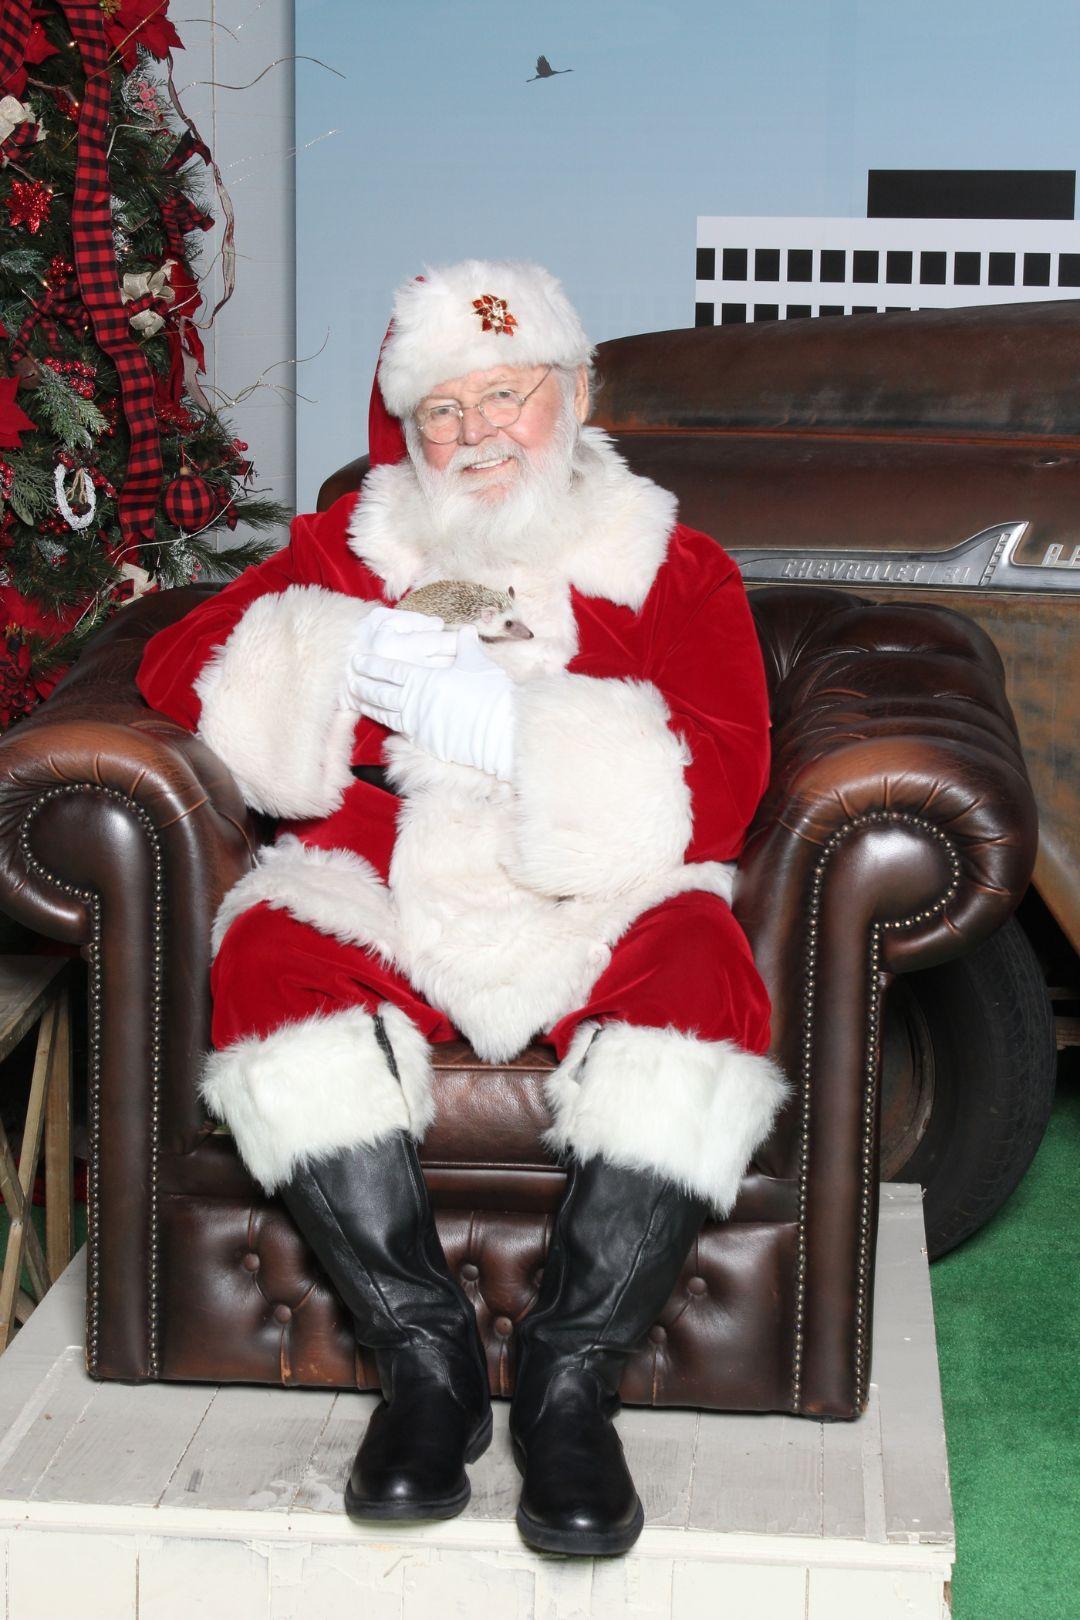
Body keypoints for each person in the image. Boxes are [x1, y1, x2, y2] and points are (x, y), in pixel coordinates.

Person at [136, 259, 789, 1557]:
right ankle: (423, 1357)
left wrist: (515, 730)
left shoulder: (672, 560)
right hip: (385, 877)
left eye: (510, 394)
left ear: (575, 394)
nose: (481, 430)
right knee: (268, 952)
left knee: (704, 976)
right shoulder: (348, 546)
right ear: (405, 425)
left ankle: (568, 1380)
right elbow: (171, 662)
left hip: (599, 889)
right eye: (446, 406)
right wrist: (326, 652)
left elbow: (725, 779)